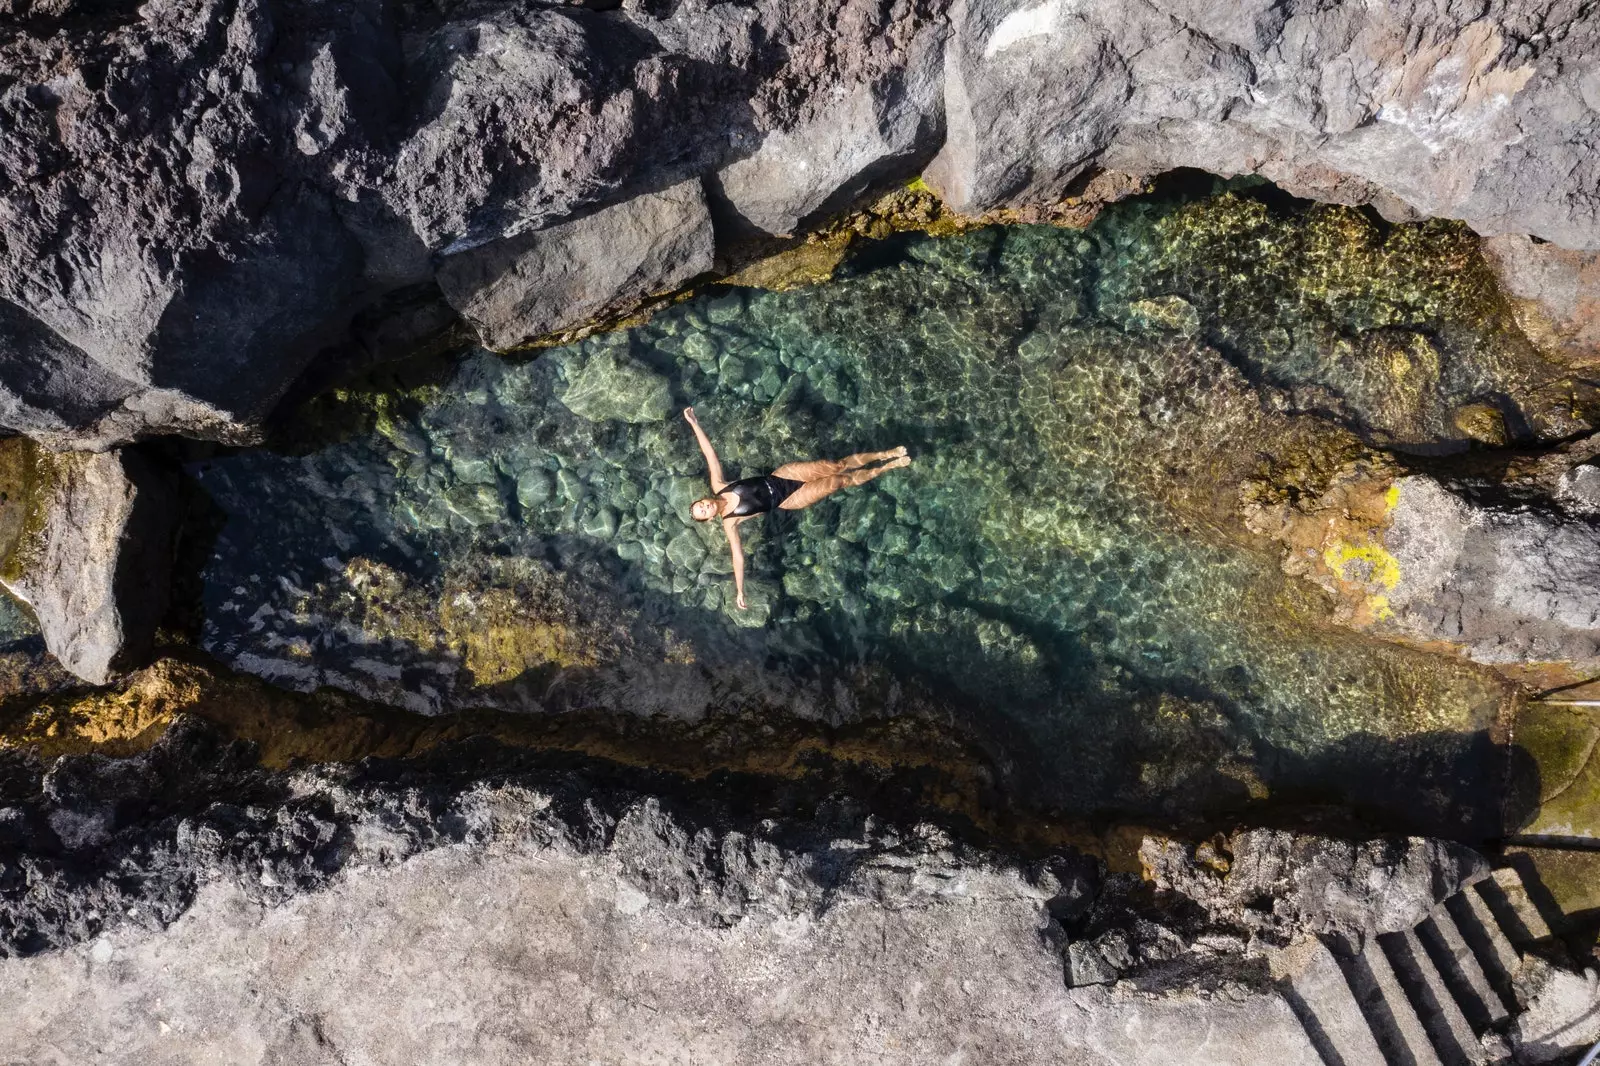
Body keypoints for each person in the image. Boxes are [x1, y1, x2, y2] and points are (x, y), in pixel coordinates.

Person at [683, 406, 910, 609]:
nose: (705, 506)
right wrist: (740, 590)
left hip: (782, 476)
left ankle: (885, 454)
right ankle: (887, 467)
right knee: (840, 481)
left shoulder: (719, 485)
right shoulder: (730, 522)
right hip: (790, 500)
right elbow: (738, 557)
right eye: (703, 512)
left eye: (701, 504)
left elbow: (709, 453)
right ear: (710, 518)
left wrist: (694, 424)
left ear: (705, 498)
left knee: (835, 466)